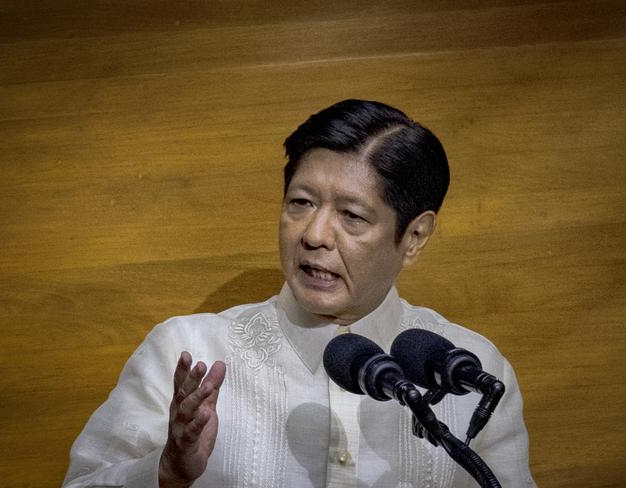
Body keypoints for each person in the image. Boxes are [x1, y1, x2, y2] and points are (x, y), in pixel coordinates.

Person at [63, 99, 537, 487]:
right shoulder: (187, 354)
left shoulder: (472, 371)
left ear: (413, 237)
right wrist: (164, 473)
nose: (314, 235)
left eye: (352, 216)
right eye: (301, 203)